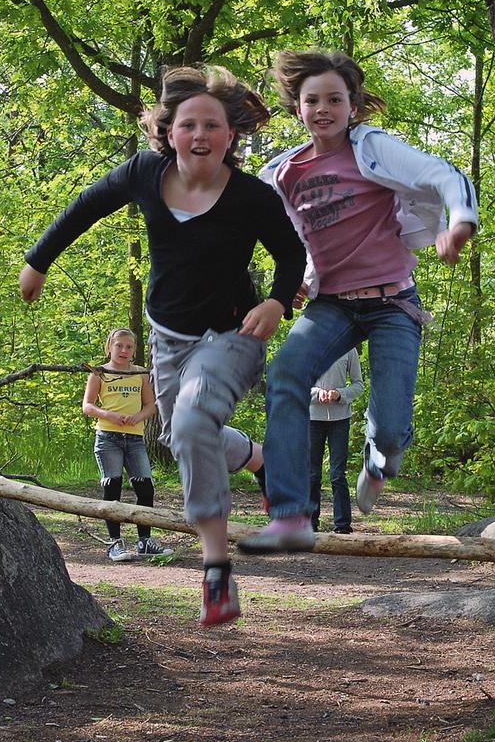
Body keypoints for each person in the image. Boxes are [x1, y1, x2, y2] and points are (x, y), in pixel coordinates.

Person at [19, 66, 306, 624]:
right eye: (188, 125)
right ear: (168, 133)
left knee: (195, 419)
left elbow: (290, 254)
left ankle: (216, 569)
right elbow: (83, 207)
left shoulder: (250, 196)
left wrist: (276, 302)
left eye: (213, 126)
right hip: (169, 338)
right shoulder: (144, 174)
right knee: (181, 437)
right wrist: (38, 260)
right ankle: (258, 459)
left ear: (231, 136)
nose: (200, 136)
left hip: (232, 335)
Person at [239, 49, 478, 553]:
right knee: (285, 372)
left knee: (391, 431)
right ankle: (289, 513)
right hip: (333, 306)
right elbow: (286, 238)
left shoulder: (372, 148)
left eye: (334, 99)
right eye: (312, 100)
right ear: (297, 108)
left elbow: (441, 175)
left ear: (353, 105)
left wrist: (458, 224)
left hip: (393, 304)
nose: (323, 108)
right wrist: (296, 280)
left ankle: (379, 460)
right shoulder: (282, 173)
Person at [83, 327, 172, 562]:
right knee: (112, 487)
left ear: (134, 350)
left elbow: (150, 405)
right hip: (108, 437)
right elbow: (88, 406)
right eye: (119, 345)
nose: (124, 350)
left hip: (134, 438)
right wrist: (109, 415)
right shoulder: (99, 372)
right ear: (110, 347)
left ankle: (144, 541)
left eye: (129, 346)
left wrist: (138, 417)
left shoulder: (140, 373)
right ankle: (115, 543)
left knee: (145, 488)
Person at [309, 346, 364, 534]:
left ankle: (343, 525)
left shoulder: (349, 349)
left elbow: (359, 385)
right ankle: (309, 524)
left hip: (340, 420)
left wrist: (340, 394)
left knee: (338, 474)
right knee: (311, 474)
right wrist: (317, 393)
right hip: (311, 419)